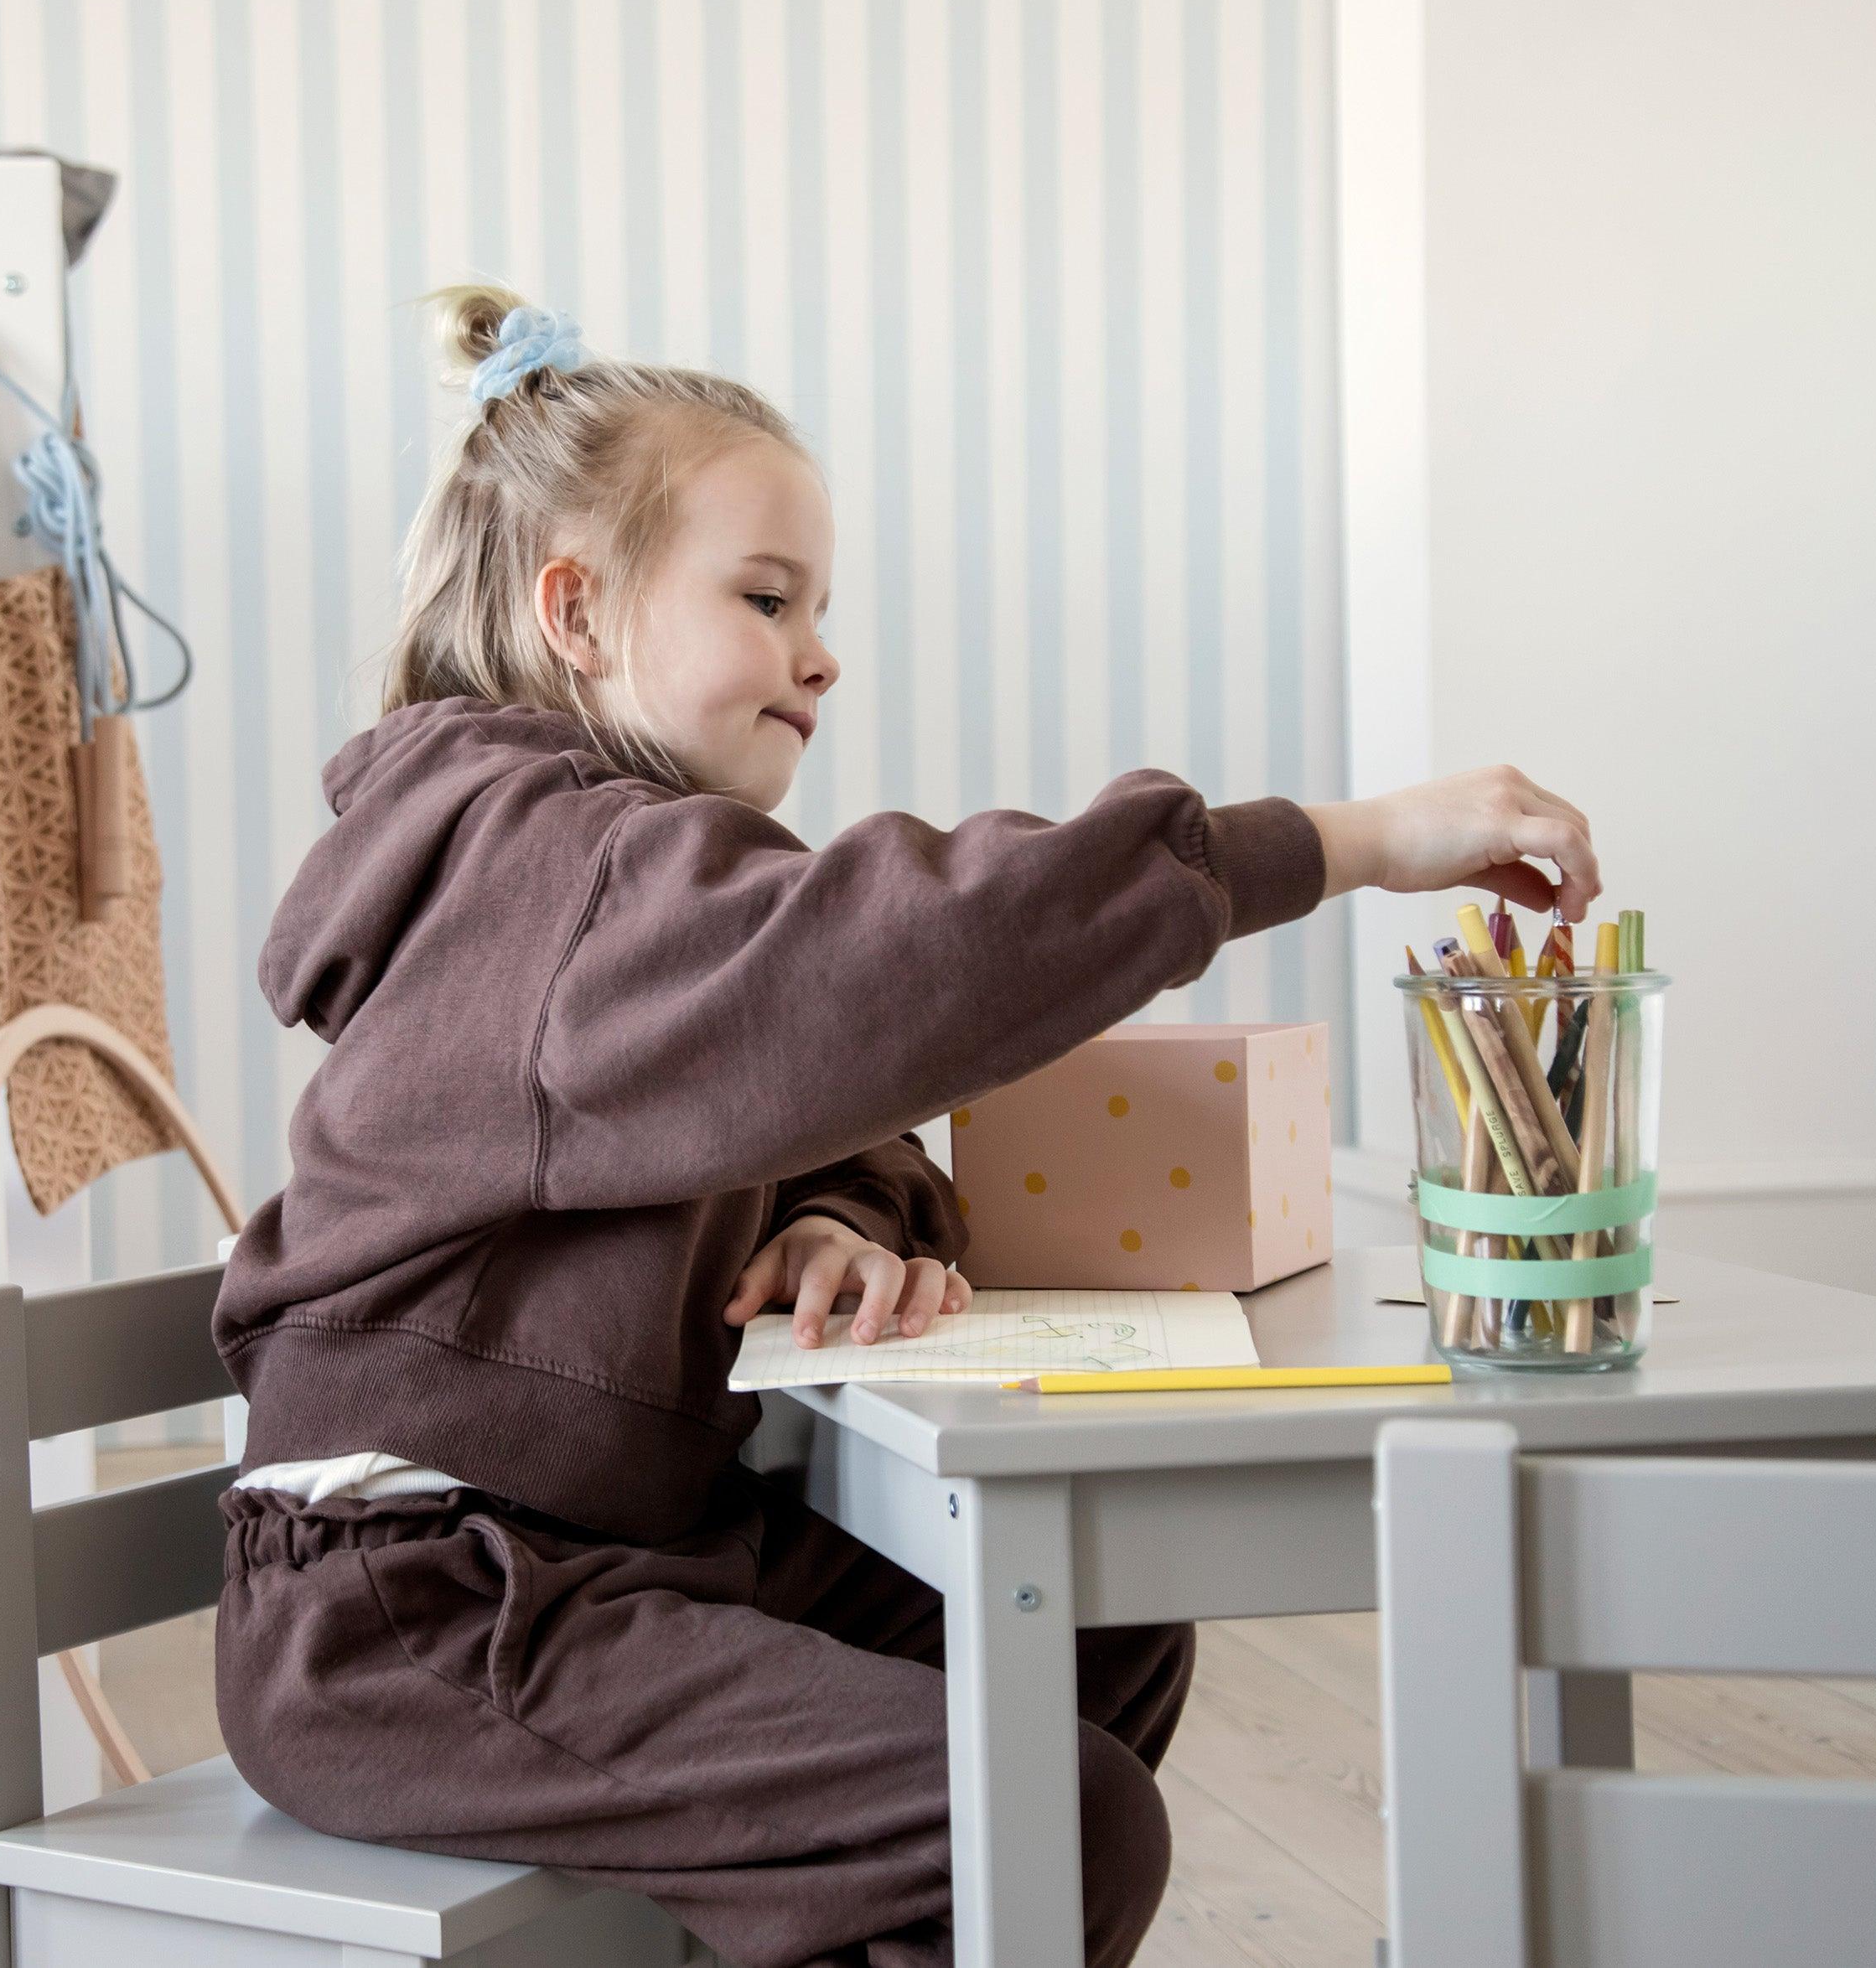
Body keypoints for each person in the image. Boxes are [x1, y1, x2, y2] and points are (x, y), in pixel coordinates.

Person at [212, 289, 1600, 1968]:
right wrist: (1348, 836)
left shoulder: (623, 896)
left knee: (1093, 1616)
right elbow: (899, 958)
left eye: (821, 607)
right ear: (572, 609)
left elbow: (803, 1085)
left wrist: (842, 1215)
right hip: (418, 1608)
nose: (821, 650)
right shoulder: (543, 861)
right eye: (764, 596)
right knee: (1049, 1808)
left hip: (602, 1553)